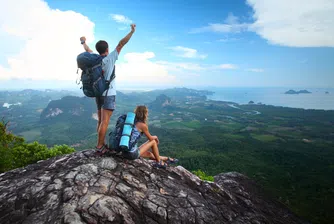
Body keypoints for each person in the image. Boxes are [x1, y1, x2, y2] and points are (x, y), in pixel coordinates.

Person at [80, 24, 136, 153]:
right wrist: (131, 32)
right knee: (105, 121)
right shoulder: (110, 58)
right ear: (107, 49)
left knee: (100, 121)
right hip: (108, 93)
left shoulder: (95, 59)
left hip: (98, 93)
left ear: (98, 50)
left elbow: (88, 50)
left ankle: (101, 144)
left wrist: (83, 42)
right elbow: (121, 43)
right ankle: (100, 147)